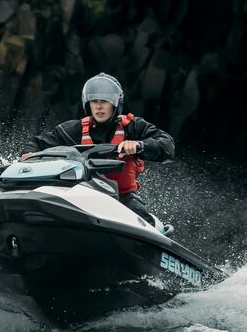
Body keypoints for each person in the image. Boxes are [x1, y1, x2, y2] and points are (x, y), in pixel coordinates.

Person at [20, 73, 175, 225]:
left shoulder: (133, 127)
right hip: (78, 195)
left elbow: (167, 145)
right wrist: (28, 154)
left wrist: (139, 145)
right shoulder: (73, 130)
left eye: (104, 101)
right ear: (88, 104)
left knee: (143, 220)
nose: (99, 106)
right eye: (94, 101)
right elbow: (36, 144)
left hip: (122, 198)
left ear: (115, 104)